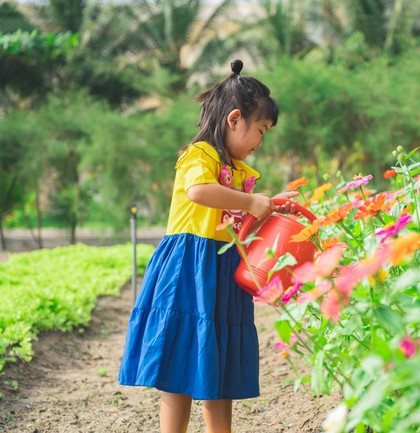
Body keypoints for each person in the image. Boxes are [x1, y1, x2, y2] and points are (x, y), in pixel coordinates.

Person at [118, 59, 298, 433]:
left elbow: (242, 219)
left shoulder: (240, 171)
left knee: (219, 358)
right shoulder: (198, 156)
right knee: (180, 357)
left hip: (223, 267)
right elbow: (199, 192)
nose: (261, 142)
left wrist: (270, 204)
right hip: (188, 266)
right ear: (235, 120)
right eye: (260, 131)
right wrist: (250, 201)